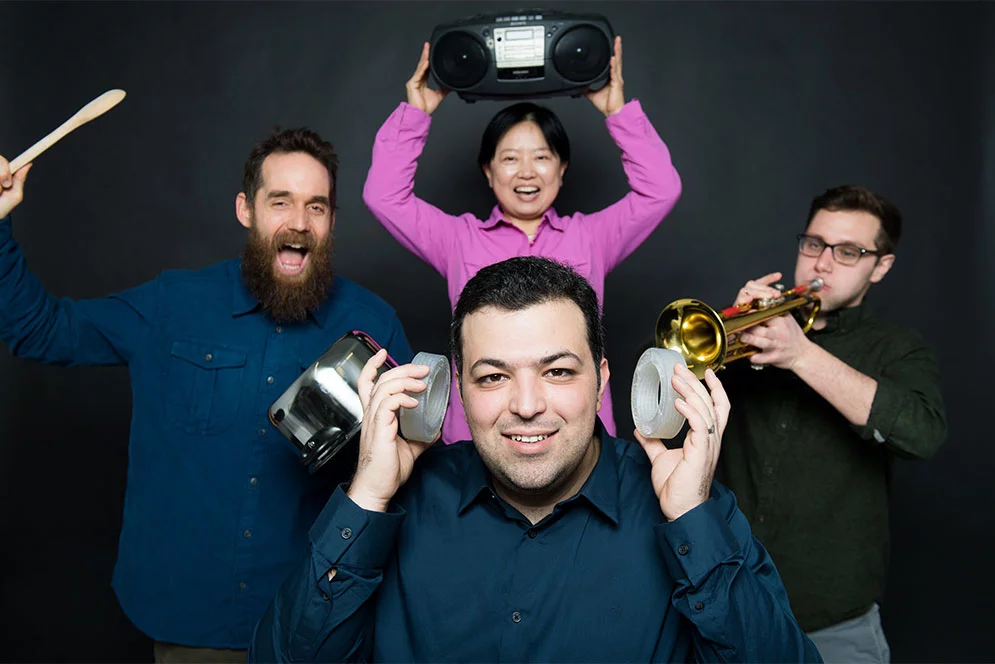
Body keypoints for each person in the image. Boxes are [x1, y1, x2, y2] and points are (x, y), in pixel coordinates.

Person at [249, 256, 820, 663]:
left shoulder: (691, 504)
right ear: (457, 394)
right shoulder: (394, 499)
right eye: (493, 376)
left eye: (557, 371)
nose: (526, 406)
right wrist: (366, 499)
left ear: (601, 382)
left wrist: (691, 519)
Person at [0, 128, 413, 662]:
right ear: (246, 209)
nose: (299, 223)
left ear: (332, 220)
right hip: (190, 622)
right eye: (280, 202)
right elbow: (43, 330)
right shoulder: (172, 304)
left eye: (317, 206)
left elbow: (411, 468)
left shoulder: (373, 325)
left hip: (318, 624)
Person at [362, 36, 682, 445]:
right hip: (480, 439)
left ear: (562, 169)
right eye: (510, 158)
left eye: (542, 157)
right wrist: (416, 112)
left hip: (579, 436)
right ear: (488, 171)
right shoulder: (458, 239)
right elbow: (383, 195)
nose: (526, 172)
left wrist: (617, 111)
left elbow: (661, 189)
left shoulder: (591, 237)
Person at [714, 185, 947, 663]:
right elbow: (657, 414)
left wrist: (801, 354)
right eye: (814, 244)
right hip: (729, 602)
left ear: (880, 266)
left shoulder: (898, 348)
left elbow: (922, 433)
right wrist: (729, 329)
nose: (822, 264)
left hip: (834, 622)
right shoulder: (751, 333)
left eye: (848, 252)